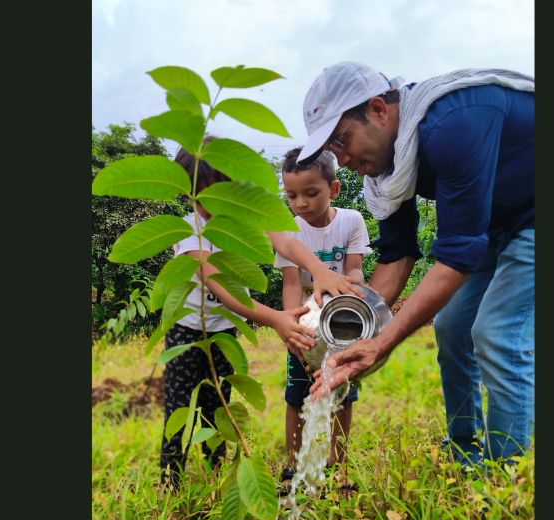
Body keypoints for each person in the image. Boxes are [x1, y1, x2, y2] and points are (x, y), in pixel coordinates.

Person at [301, 62, 534, 465]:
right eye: (331, 150)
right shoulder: (390, 167)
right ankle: (465, 453)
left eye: (343, 140)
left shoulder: (452, 123)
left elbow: (457, 258)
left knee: (497, 333)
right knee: (451, 325)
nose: (341, 158)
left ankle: (506, 481)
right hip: (499, 223)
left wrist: (382, 344)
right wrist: (348, 326)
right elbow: (397, 254)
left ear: (377, 109)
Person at [160, 139, 363, 488]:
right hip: (186, 329)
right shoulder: (189, 230)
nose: (209, 205)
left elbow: (286, 241)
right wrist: (275, 318)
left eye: (218, 193)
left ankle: (214, 468)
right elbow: (221, 285)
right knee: (178, 405)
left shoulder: (242, 219)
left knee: (219, 403)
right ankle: (170, 477)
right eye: (199, 196)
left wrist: (322, 271)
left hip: (224, 330)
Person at [275, 147, 371, 490]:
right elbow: (290, 285)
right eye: (291, 195)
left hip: (343, 325)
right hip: (306, 327)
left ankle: (339, 464)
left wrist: (347, 292)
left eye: (310, 193)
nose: (300, 203)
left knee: (342, 396)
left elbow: (355, 270)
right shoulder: (289, 230)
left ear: (333, 189)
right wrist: (292, 331)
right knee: (296, 396)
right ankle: (292, 465)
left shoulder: (351, 221)